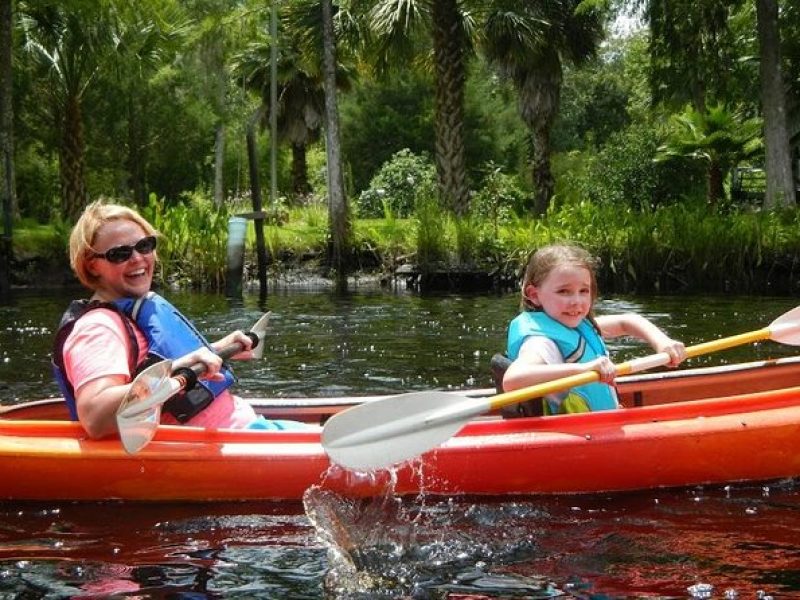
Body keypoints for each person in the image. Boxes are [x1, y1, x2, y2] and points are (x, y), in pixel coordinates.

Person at [53, 200, 306, 439]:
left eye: (144, 246)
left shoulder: (129, 311)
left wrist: (214, 349)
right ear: (92, 265)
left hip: (243, 429)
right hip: (211, 449)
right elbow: (95, 416)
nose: (138, 258)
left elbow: (148, 362)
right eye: (120, 253)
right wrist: (177, 368)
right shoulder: (98, 328)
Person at [502, 244, 687, 415]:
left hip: (600, 425)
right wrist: (585, 368)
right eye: (563, 291)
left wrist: (663, 343)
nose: (576, 301)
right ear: (534, 295)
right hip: (580, 436)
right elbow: (513, 379)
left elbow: (627, 321)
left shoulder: (572, 325)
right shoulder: (541, 343)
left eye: (583, 291)